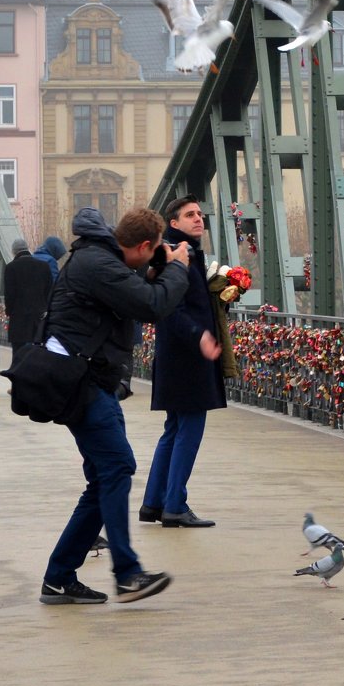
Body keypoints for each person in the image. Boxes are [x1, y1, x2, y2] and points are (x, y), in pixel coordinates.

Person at [40, 206, 191, 606]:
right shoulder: (98, 264)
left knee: (102, 480)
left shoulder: (99, 259)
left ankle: (58, 578)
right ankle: (127, 574)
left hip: (91, 381)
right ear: (144, 245)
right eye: (154, 250)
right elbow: (152, 306)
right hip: (81, 383)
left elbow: (131, 294)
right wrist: (176, 269)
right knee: (118, 467)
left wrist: (153, 272)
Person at [140, 195, 225, 528]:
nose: (198, 219)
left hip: (177, 356)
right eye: (190, 215)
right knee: (189, 429)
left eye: (200, 214)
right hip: (188, 357)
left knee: (173, 429)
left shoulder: (184, 251)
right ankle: (175, 505)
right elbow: (170, 308)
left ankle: (154, 503)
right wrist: (199, 335)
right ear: (173, 224)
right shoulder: (174, 253)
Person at [3, 238, 53, 357]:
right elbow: (50, 292)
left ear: (14, 252)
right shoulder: (44, 267)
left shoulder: (11, 268)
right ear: (27, 248)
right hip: (39, 319)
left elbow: (9, 294)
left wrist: (9, 311)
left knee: (19, 355)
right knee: (38, 355)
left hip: (18, 319)